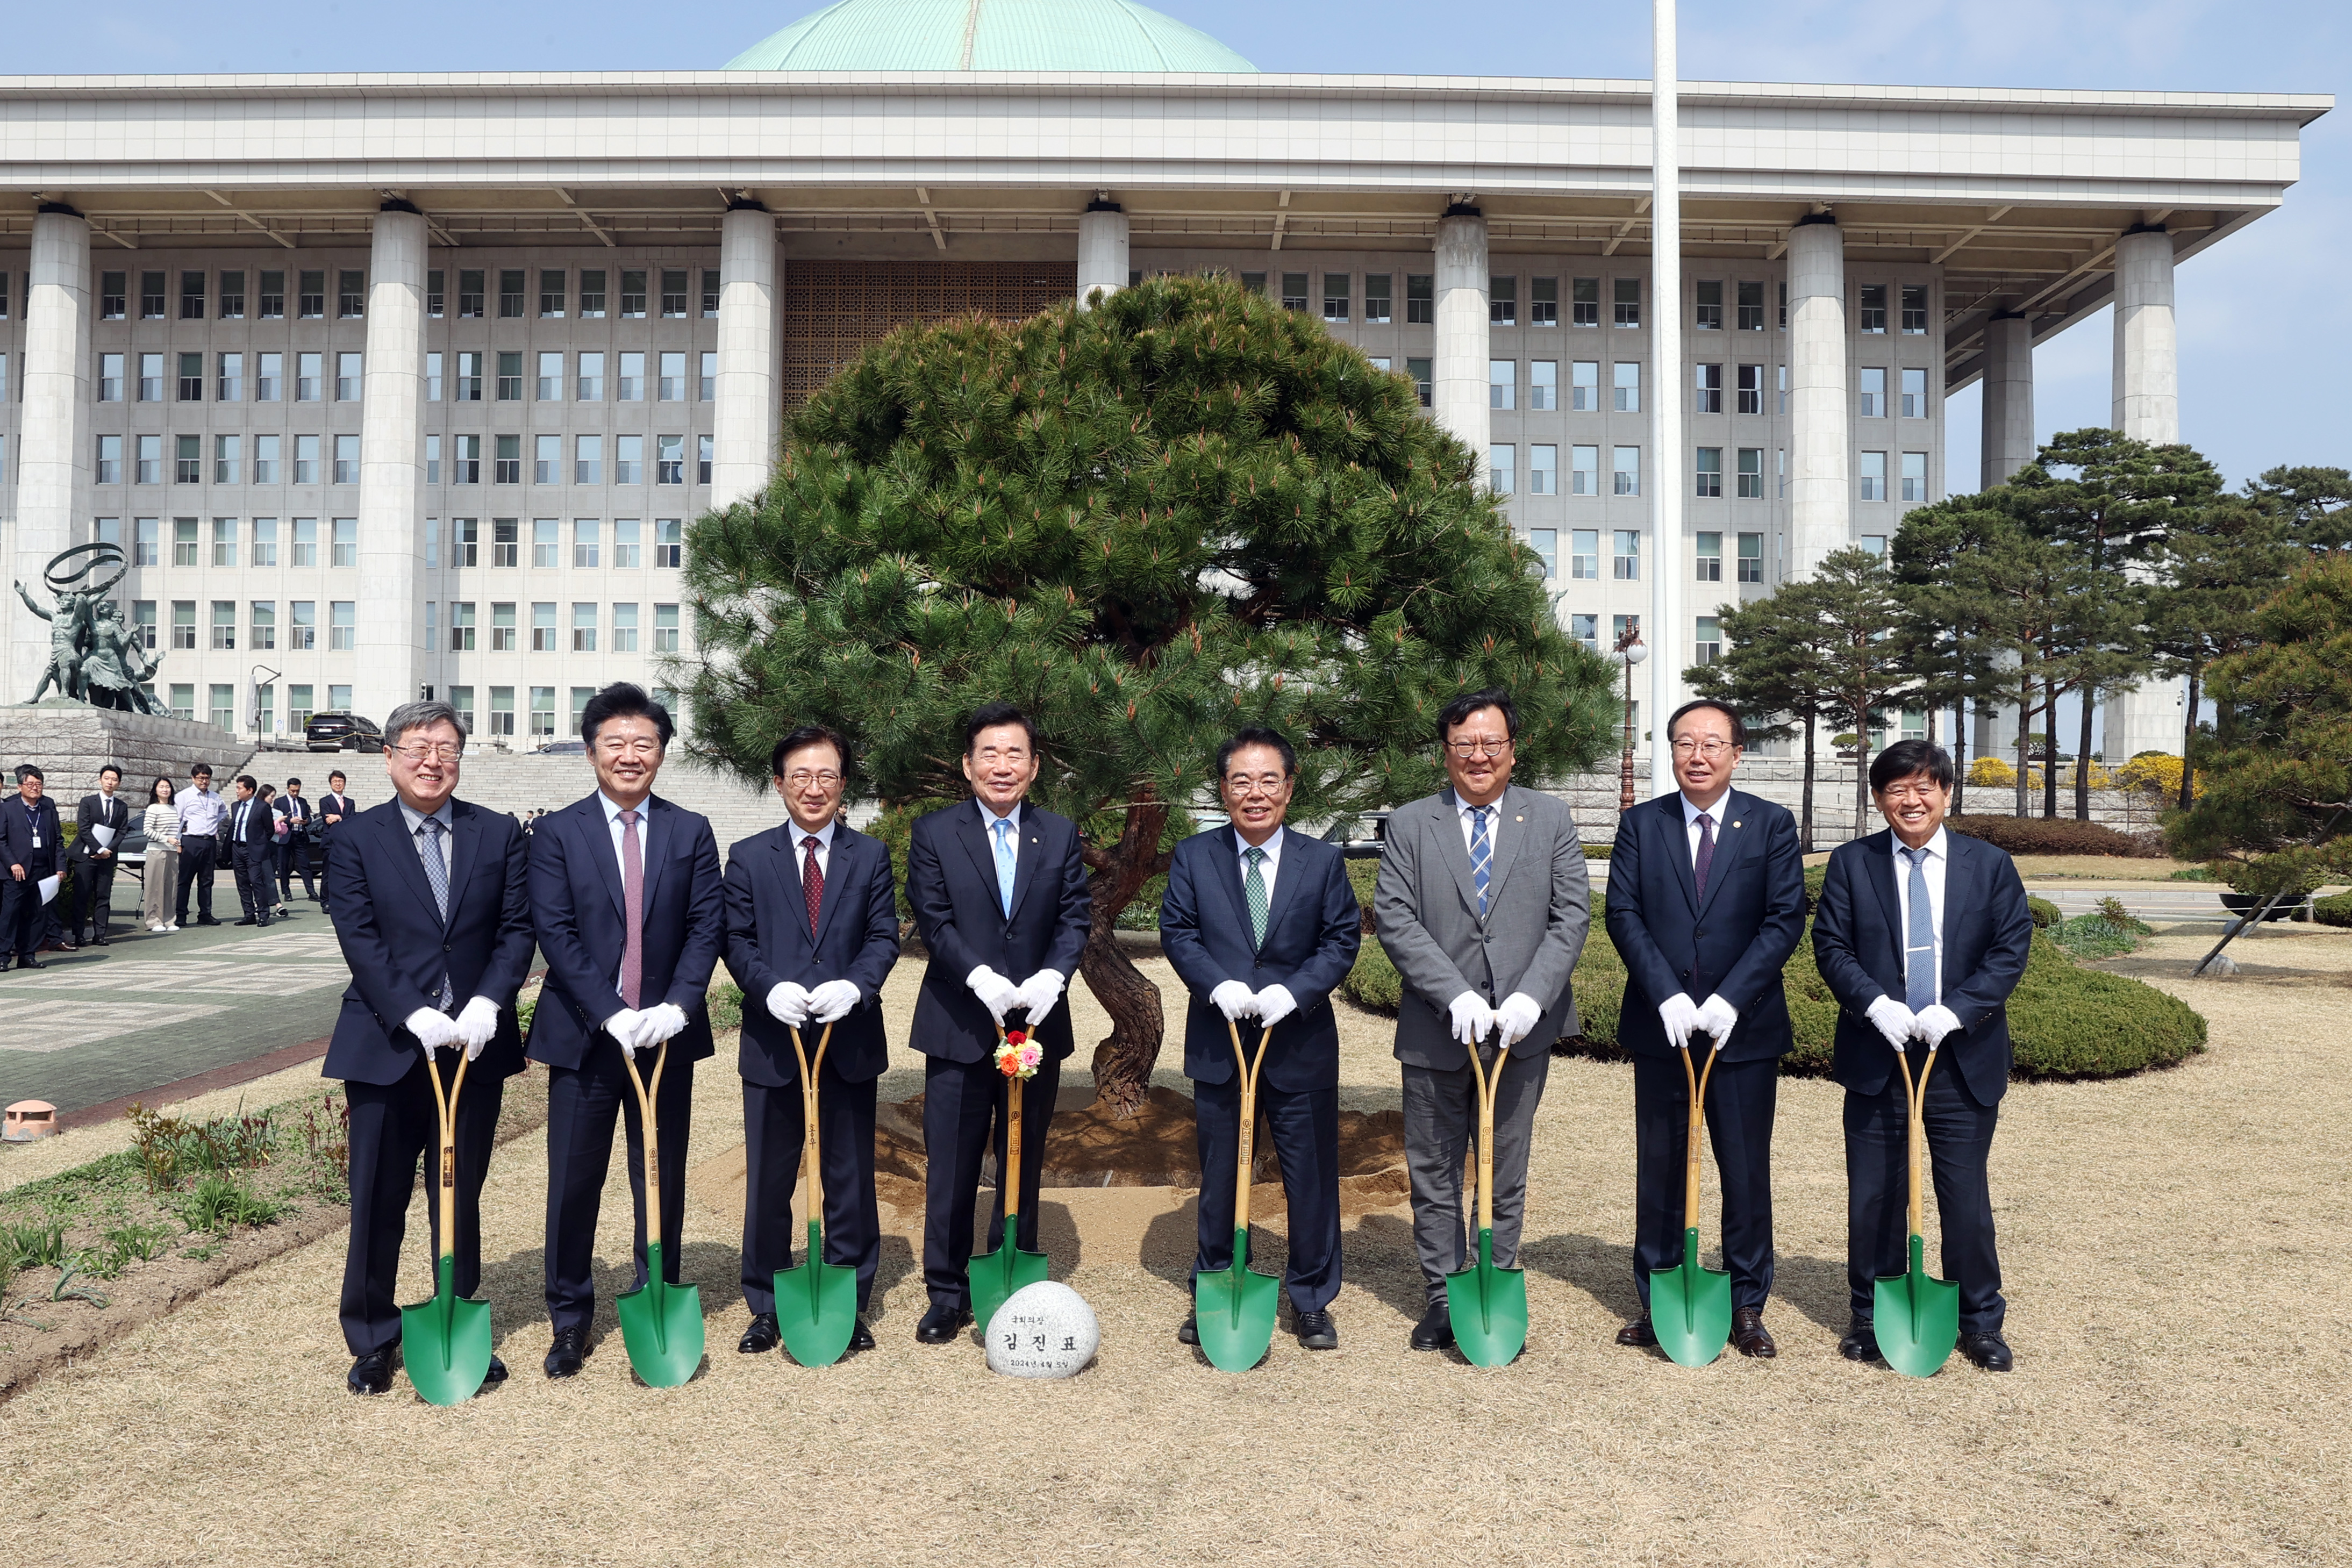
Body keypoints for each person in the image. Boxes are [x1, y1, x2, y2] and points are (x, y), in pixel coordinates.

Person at [324, 699, 535, 1395]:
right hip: (387, 1045)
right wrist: (411, 1011)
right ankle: (373, 1337)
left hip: (472, 1048)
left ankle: (457, 1318)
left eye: (444, 746)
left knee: (458, 1196)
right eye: (416, 747)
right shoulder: (357, 839)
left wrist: (486, 1002)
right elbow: (359, 935)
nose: (431, 760)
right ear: (387, 757)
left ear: (460, 755)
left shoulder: (497, 832)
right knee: (378, 1197)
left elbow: (515, 929)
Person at [1374, 689, 1591, 1353]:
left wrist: (1530, 997)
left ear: (1512, 749)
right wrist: (1454, 995)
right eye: (1464, 743)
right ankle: (1443, 1295)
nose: (1478, 755)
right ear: (1446, 752)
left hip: (1524, 1030)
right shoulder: (1412, 823)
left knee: (1505, 1166)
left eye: (1490, 743)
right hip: (1438, 1027)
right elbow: (1395, 918)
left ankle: (1492, 1283)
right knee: (1434, 1167)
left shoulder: (1549, 817)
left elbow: (1571, 915)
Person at [1812, 739, 2034, 1373]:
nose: (1910, 800)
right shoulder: (1852, 864)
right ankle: (1869, 1313)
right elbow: (1831, 946)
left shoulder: (1987, 865)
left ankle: (1979, 1320)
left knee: (1963, 1196)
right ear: (1878, 799)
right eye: (1895, 789)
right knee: (1875, 1194)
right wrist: (1873, 1004)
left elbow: (2008, 951)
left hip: (1960, 1057)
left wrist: (1958, 1009)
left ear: (1945, 793)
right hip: (1877, 1052)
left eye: (1924, 787)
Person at [526, 683, 724, 1380]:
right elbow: (555, 930)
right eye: (615, 742)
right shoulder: (556, 833)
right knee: (573, 1183)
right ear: (590, 752)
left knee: (658, 1177)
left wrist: (677, 1005)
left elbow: (706, 926)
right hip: (584, 1038)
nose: (629, 755)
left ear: (662, 753)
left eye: (644, 743)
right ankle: (569, 1318)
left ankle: (655, 1293)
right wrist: (609, 1011)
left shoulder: (690, 831)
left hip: (666, 1038)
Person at [1603, 700, 1806, 1357]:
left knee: (1744, 1170)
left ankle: (1747, 1303)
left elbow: (1784, 919)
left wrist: (1730, 998)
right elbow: (1623, 912)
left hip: (1741, 1033)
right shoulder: (1642, 823)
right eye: (1685, 743)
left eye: (1712, 743)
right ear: (1670, 752)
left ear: (1736, 753)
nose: (1698, 755)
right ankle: (1657, 1295)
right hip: (1660, 1028)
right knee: (1659, 1169)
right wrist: (1664, 992)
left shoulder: (1770, 824)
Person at [1160, 727, 1362, 1351]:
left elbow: (1341, 940)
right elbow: (1179, 931)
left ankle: (1310, 1298)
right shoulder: (1195, 856)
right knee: (1221, 1174)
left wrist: (1295, 991)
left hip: (1298, 1041)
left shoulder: (1321, 860)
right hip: (1221, 1041)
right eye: (1241, 781)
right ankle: (1214, 1285)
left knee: (1309, 1179)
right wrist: (1213, 985)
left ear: (1289, 787)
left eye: (1268, 780)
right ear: (1223, 790)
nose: (1255, 793)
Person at [903, 701, 1091, 1345]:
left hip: (1037, 1022)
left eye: (1015, 754)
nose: (1001, 766)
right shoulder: (935, 832)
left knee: (1022, 1155)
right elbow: (933, 917)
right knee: (951, 1162)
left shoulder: (1061, 834)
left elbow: (1074, 919)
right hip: (959, 1020)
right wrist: (978, 976)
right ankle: (947, 1292)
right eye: (989, 752)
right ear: (967, 763)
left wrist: (1054, 976)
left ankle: (1011, 1277)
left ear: (1034, 767)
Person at [723, 724, 902, 1356]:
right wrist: (767, 988)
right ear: (778, 784)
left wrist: (857, 986)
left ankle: (848, 1299)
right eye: (800, 775)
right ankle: (768, 1304)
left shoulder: (869, 856)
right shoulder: (748, 856)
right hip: (774, 1046)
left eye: (827, 775)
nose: (814, 787)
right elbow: (736, 940)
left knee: (848, 1176)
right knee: (771, 1180)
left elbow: (884, 936)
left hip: (847, 1042)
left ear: (844, 785)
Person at [1, 765, 66, 973]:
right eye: (30, 784)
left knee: (38, 915)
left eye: (39, 784)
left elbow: (58, 841)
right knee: (10, 914)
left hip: (43, 871)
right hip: (17, 873)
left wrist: (60, 867)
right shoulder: (8, 808)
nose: (35, 788)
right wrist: (13, 863)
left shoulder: (48, 810)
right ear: (20, 786)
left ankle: (28, 955)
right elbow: (1, 841)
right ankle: (3, 956)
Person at [67, 764, 134, 947]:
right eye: (107, 778)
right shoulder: (88, 802)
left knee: (103, 897)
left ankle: (100, 935)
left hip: (107, 858)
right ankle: (79, 934)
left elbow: (121, 832)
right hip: (86, 857)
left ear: (119, 783)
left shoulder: (121, 806)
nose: (110, 782)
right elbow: (84, 828)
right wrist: (98, 849)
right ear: (100, 780)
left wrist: (107, 851)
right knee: (82, 895)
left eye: (114, 779)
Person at [174, 763, 226, 927]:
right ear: (193, 778)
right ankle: (180, 914)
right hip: (190, 841)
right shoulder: (184, 796)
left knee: (206, 880)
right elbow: (178, 819)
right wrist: (178, 842)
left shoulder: (215, 797)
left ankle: (205, 913)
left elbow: (224, 812)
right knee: (185, 879)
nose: (204, 781)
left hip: (209, 841)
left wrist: (213, 823)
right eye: (201, 778)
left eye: (207, 778)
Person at [225, 775, 276, 928]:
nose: (237, 791)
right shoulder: (235, 806)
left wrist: (259, 844)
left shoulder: (262, 807)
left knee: (256, 881)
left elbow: (269, 830)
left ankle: (263, 914)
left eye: (239, 788)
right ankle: (249, 914)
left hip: (254, 850)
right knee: (242, 883)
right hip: (237, 848)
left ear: (250, 790)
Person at [141, 777, 181, 933]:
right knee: (155, 888)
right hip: (157, 850)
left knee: (170, 887)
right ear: (155, 791)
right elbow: (148, 831)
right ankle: (153, 921)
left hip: (172, 851)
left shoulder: (175, 808)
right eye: (162, 787)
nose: (165, 790)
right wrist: (167, 839)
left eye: (168, 787)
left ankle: (169, 920)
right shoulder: (153, 808)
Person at [316, 769, 355, 914]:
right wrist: (342, 818)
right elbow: (328, 820)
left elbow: (353, 819)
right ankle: (325, 901)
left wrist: (339, 817)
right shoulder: (325, 801)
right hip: (330, 841)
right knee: (328, 873)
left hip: (346, 842)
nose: (338, 784)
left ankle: (342, 900)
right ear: (330, 784)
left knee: (345, 873)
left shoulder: (350, 802)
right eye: (335, 781)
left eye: (341, 781)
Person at [275, 776, 317, 909]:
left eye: (297, 791)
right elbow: (277, 819)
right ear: (288, 789)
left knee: (305, 864)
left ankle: (311, 891)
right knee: (284, 865)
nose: (295, 793)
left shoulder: (303, 802)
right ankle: (286, 892)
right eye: (293, 791)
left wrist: (306, 822)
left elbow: (309, 817)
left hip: (299, 836)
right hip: (285, 836)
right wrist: (290, 821)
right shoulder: (279, 802)